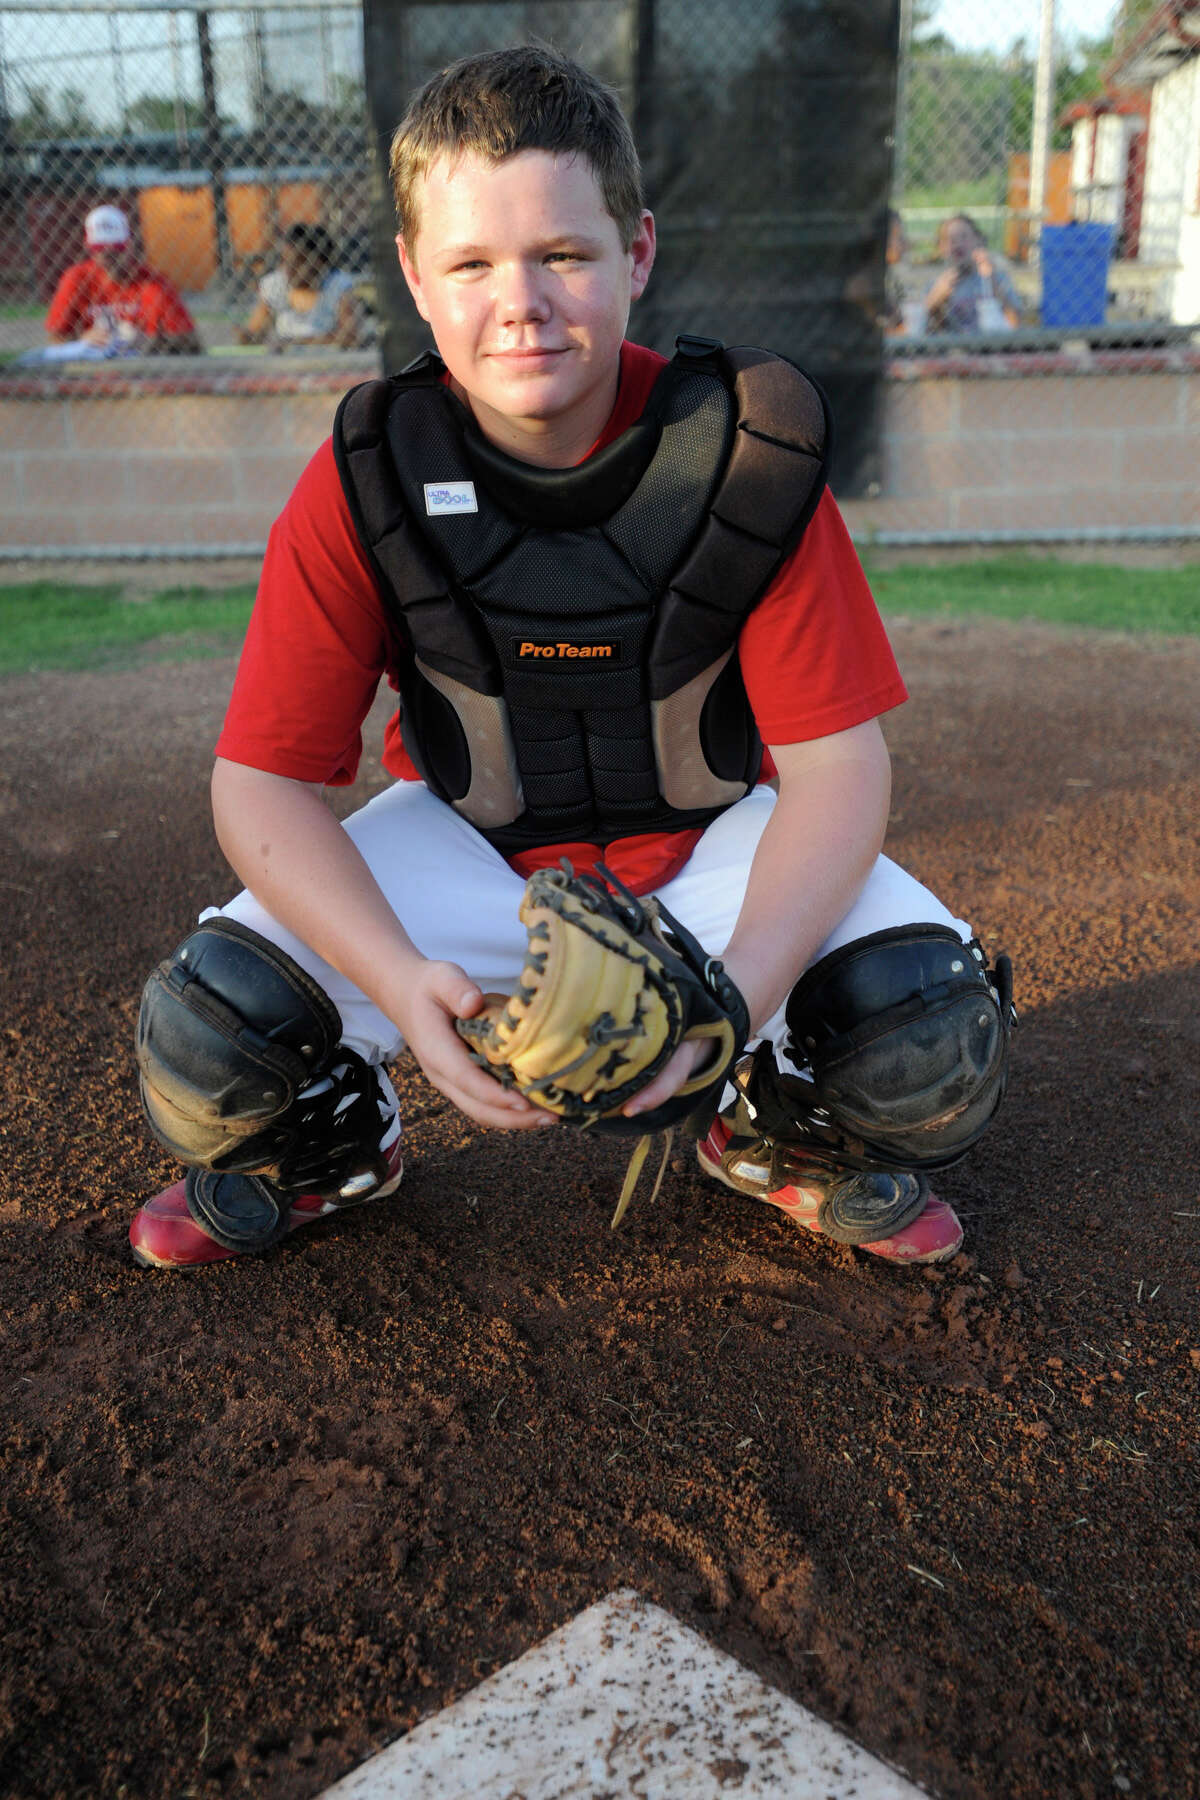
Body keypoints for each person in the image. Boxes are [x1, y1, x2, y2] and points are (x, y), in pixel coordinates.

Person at [129, 44, 1014, 1274]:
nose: (521, 302)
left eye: (564, 255)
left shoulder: (744, 458)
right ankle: (340, 1144)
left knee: (920, 1038)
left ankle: (776, 1123)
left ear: (637, 253)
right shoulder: (366, 478)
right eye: (472, 263)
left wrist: (736, 1005)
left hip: (708, 846)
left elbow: (838, 771)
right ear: (412, 277)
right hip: (468, 852)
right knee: (212, 1044)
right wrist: (394, 976)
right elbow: (261, 784)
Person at [21, 205, 201, 362]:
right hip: (91, 370)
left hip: (141, 371)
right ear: (88, 247)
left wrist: (149, 342)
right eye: (99, 248)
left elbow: (192, 343)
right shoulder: (76, 278)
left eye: (116, 248)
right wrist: (83, 340)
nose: (108, 255)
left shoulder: (153, 283)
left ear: (129, 245)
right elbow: (55, 338)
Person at [234, 222, 368, 349]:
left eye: (297, 262)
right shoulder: (276, 284)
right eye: (285, 261)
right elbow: (255, 330)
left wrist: (296, 342)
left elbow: (350, 336)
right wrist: (246, 336)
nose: (288, 269)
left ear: (319, 263)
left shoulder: (338, 284)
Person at [924, 213, 1022, 335]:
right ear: (941, 248)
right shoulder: (937, 285)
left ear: (978, 241)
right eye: (950, 240)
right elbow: (922, 329)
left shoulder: (997, 278)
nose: (957, 243)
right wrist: (935, 299)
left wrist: (992, 282)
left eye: (964, 237)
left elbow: (1015, 324)